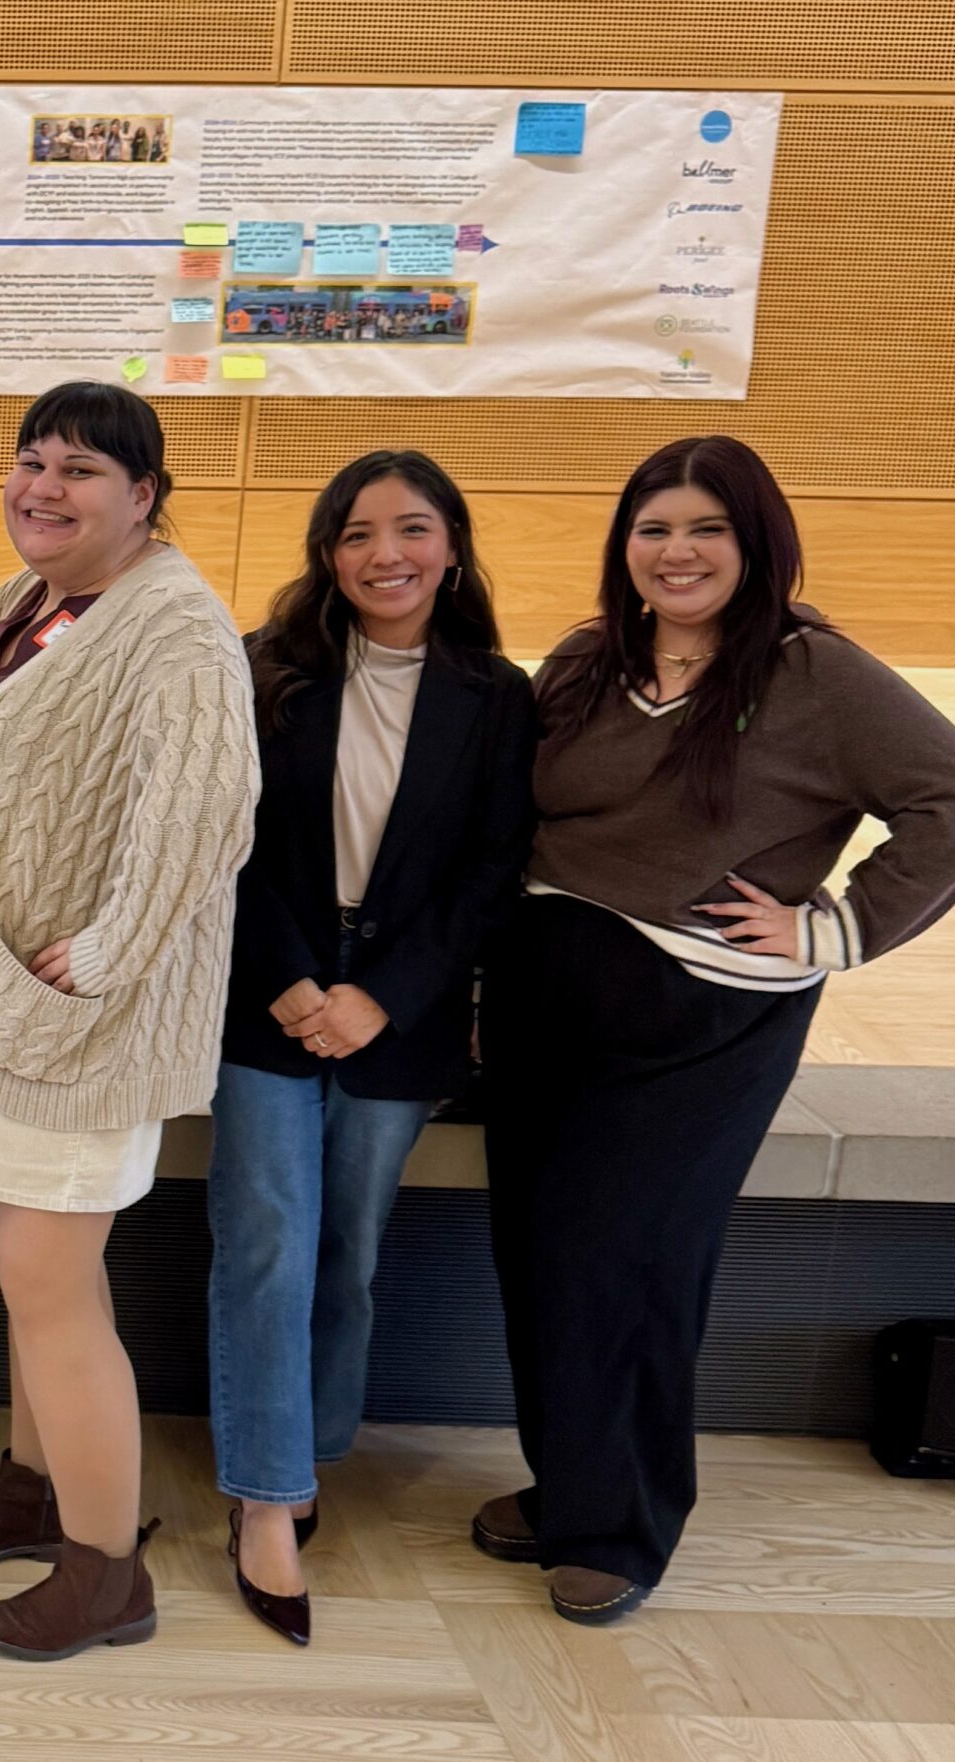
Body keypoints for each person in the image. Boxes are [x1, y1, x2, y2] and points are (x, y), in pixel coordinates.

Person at [475, 435, 955, 1626]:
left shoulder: (815, 675)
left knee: (626, 1264)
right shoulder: (590, 661)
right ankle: (570, 1484)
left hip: (695, 1028)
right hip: (543, 1001)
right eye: (653, 528)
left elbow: (948, 800)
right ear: (622, 546)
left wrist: (832, 927)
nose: (675, 551)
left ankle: (619, 1526)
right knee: (539, 1255)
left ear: (756, 543)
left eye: (705, 529)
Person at [0, 381, 257, 1661]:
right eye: (30, 460)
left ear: (144, 495)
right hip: (7, 988)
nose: (42, 486)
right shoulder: (40, 600)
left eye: (82, 471)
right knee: (33, 1277)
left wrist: (101, 958)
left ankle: (107, 1571)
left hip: (79, 1017)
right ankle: (34, 1489)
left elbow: (205, 816)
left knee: (50, 1283)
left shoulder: (175, 628)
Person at [206, 452, 537, 1646]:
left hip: (400, 1017)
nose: (382, 553)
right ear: (325, 553)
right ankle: (263, 1495)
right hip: (265, 996)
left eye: (410, 528)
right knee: (266, 1243)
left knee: (345, 1252)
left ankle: (308, 1451)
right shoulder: (264, 673)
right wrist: (297, 982)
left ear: (450, 545)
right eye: (354, 533)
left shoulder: (498, 697)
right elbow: (221, 839)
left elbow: (490, 875)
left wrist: (379, 998)